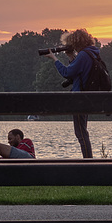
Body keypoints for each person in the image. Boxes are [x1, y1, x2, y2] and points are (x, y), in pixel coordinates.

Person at [43, 28, 97, 158]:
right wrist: (71, 56)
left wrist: (54, 58)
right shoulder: (91, 53)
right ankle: (88, 159)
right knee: (82, 130)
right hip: (88, 96)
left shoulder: (84, 55)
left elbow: (67, 73)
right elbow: (79, 72)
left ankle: (88, 161)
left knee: (80, 132)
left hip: (79, 98)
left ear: (76, 42)